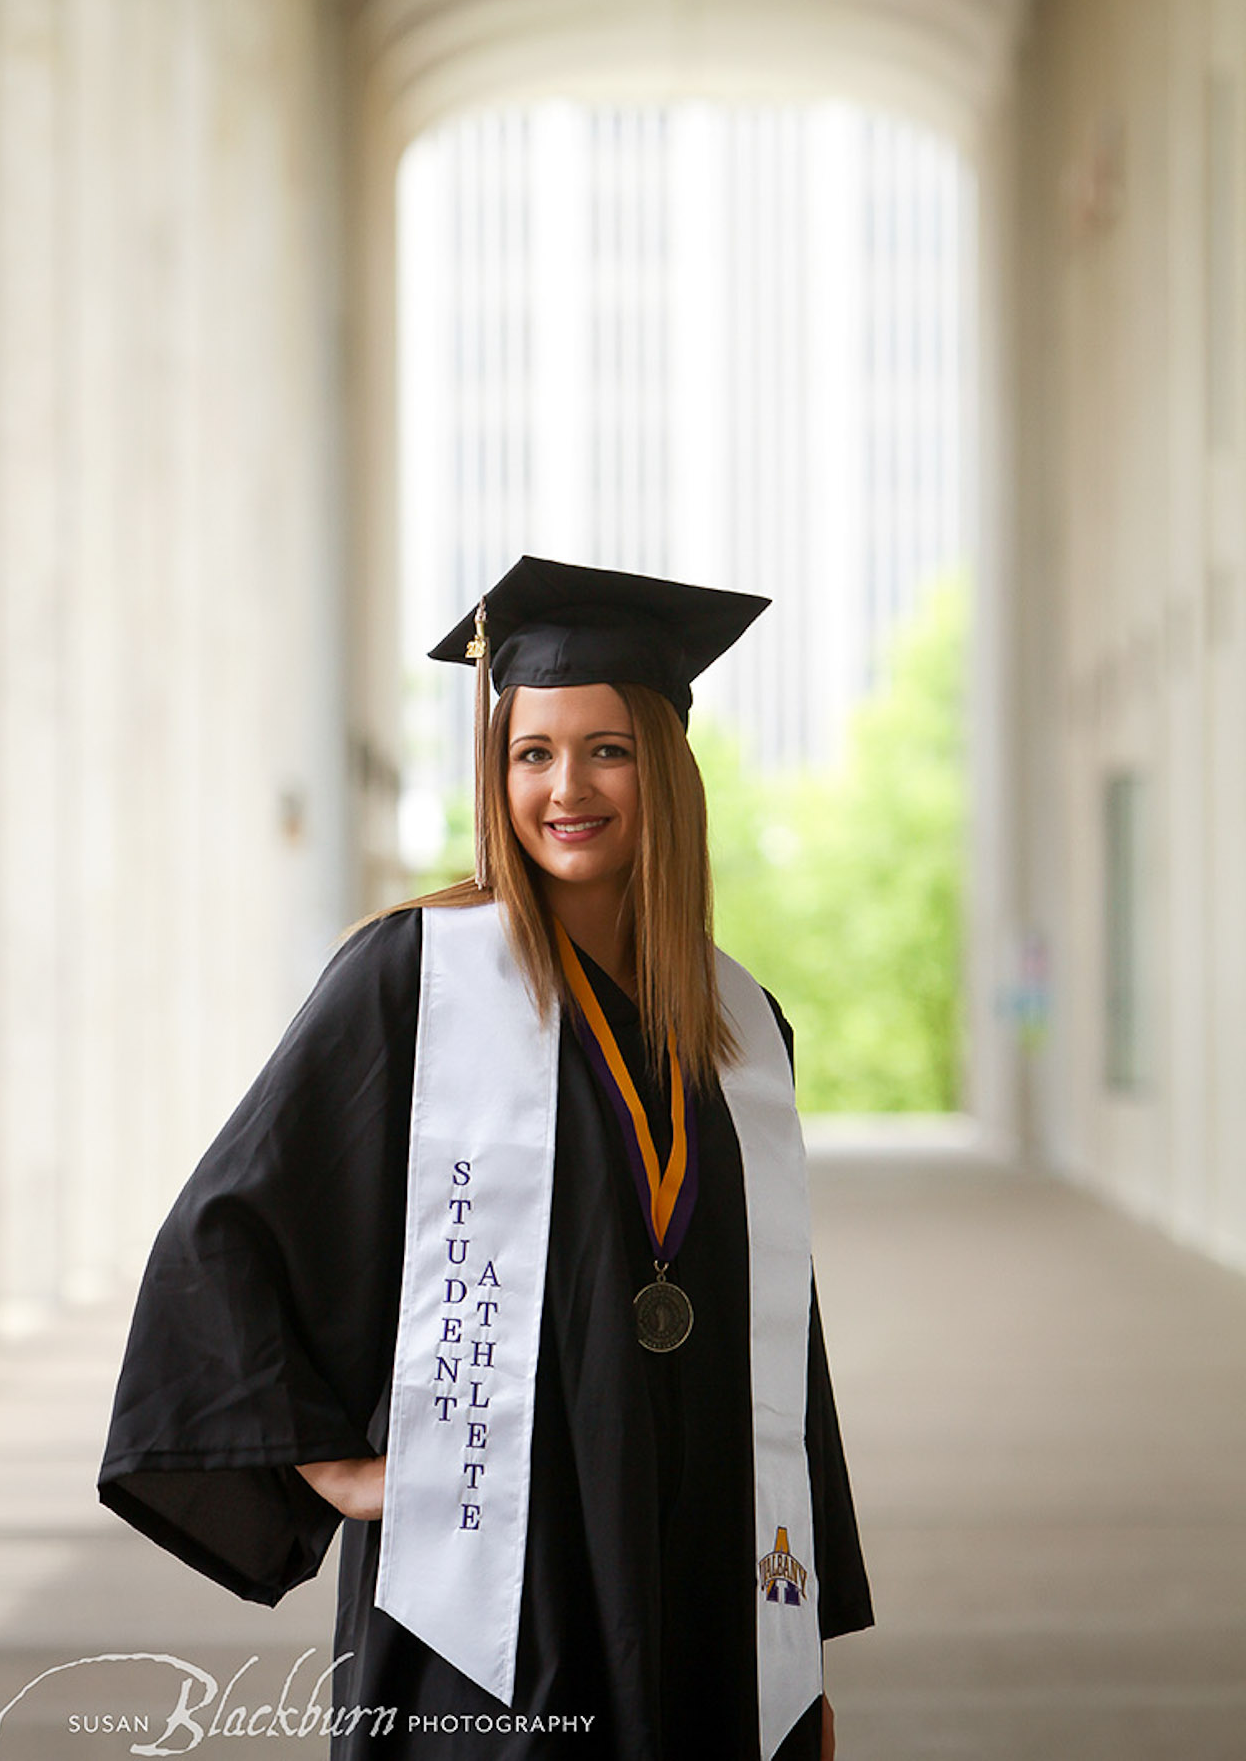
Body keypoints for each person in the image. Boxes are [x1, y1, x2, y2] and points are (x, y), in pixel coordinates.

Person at [99, 557, 873, 1760]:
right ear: (497, 769)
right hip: (499, 1588)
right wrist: (342, 1470)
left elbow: (782, 1351)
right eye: (533, 752)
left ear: (666, 768)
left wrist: (801, 1654)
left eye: (608, 749)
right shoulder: (415, 979)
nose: (568, 786)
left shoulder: (740, 1026)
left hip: (706, 1574)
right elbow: (226, 1237)